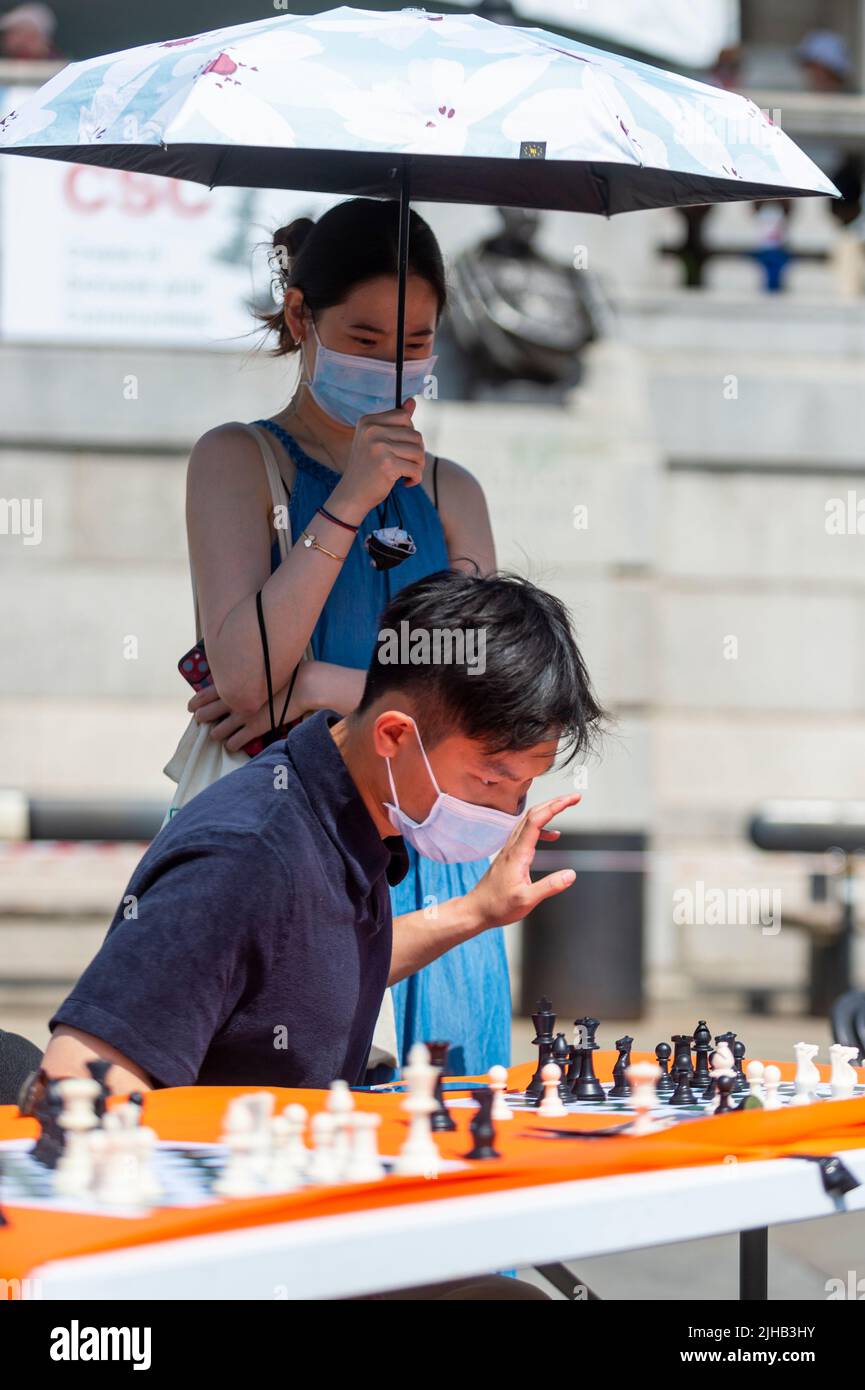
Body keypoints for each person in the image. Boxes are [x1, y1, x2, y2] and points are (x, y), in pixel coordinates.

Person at [41, 569, 605, 1093]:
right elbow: (79, 1074)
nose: (507, 812)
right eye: (490, 780)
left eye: (524, 790)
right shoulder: (245, 854)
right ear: (393, 736)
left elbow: (316, 969)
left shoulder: (356, 818)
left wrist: (478, 911)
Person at [182, 197, 509, 1080]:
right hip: (291, 836)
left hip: (432, 847)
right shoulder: (238, 461)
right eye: (364, 341)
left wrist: (321, 686)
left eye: (415, 342)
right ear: (302, 317)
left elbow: (479, 693)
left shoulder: (452, 492)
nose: (393, 366)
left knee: (451, 1144)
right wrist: (349, 500)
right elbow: (249, 684)